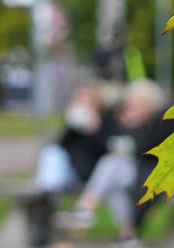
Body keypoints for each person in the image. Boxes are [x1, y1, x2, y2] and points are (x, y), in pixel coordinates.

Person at [58, 79, 165, 247]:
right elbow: (105, 143)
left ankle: (85, 208)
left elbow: (146, 152)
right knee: (113, 181)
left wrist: (133, 129)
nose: (130, 108)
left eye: (135, 104)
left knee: (110, 164)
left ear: (147, 105)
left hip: (145, 175)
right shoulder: (120, 119)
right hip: (125, 174)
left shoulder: (158, 124)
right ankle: (129, 237)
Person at [31, 81, 113, 246]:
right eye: (78, 100)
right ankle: (46, 192)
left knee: (53, 158)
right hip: (69, 173)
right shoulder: (74, 122)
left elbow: (107, 150)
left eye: (85, 100)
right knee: (52, 152)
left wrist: (94, 129)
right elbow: (61, 145)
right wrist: (71, 126)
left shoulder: (107, 121)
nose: (81, 104)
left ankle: (46, 203)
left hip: (93, 175)